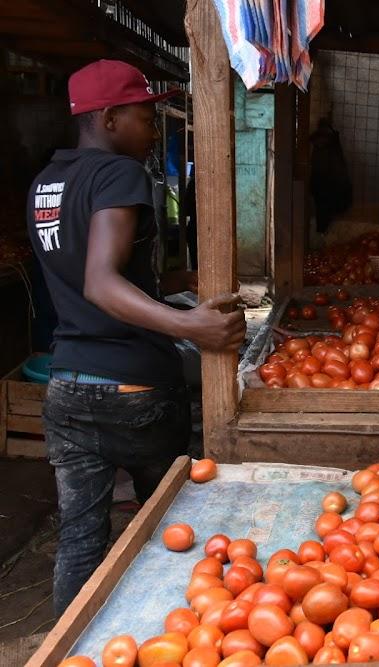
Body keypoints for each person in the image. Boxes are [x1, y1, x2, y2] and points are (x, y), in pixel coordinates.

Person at [26, 60, 247, 615]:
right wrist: (190, 325)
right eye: (144, 117)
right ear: (108, 118)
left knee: (80, 537)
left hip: (68, 388)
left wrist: (174, 281)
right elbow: (100, 283)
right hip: (133, 391)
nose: (152, 129)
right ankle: (173, 634)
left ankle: (68, 647)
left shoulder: (46, 184)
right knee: (169, 525)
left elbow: (85, 273)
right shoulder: (120, 175)